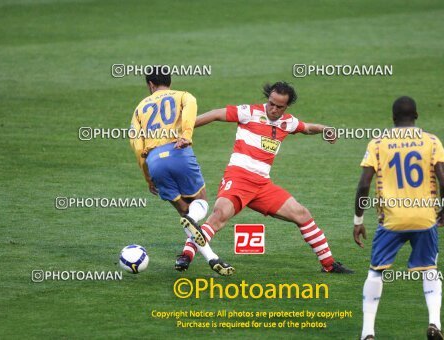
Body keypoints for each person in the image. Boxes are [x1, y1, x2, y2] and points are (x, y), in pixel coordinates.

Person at [180, 81, 354, 274]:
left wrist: (324, 129)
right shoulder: (250, 112)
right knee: (219, 216)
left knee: (302, 214)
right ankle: (186, 255)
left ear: (286, 106)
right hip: (239, 179)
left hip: (262, 186)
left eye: (279, 106)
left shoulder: (287, 122)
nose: (273, 108)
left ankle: (329, 264)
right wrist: (185, 129)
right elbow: (215, 114)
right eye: (271, 103)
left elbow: (306, 128)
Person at [353, 96, 444, 340]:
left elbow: (364, 183)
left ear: (393, 118)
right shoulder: (431, 141)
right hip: (424, 218)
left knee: (376, 272)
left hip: (391, 220)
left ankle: (367, 333)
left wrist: (358, 220)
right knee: (430, 269)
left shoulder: (377, 143)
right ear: (416, 115)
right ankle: (434, 324)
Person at [129, 69, 234, 276]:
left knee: (184, 211)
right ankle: (195, 221)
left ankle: (212, 258)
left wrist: (148, 177)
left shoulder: (139, 108)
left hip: (154, 161)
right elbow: (190, 110)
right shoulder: (183, 96)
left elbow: (136, 145)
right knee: (201, 200)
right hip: (178, 152)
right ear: (170, 81)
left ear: (150, 84)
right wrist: (186, 135)